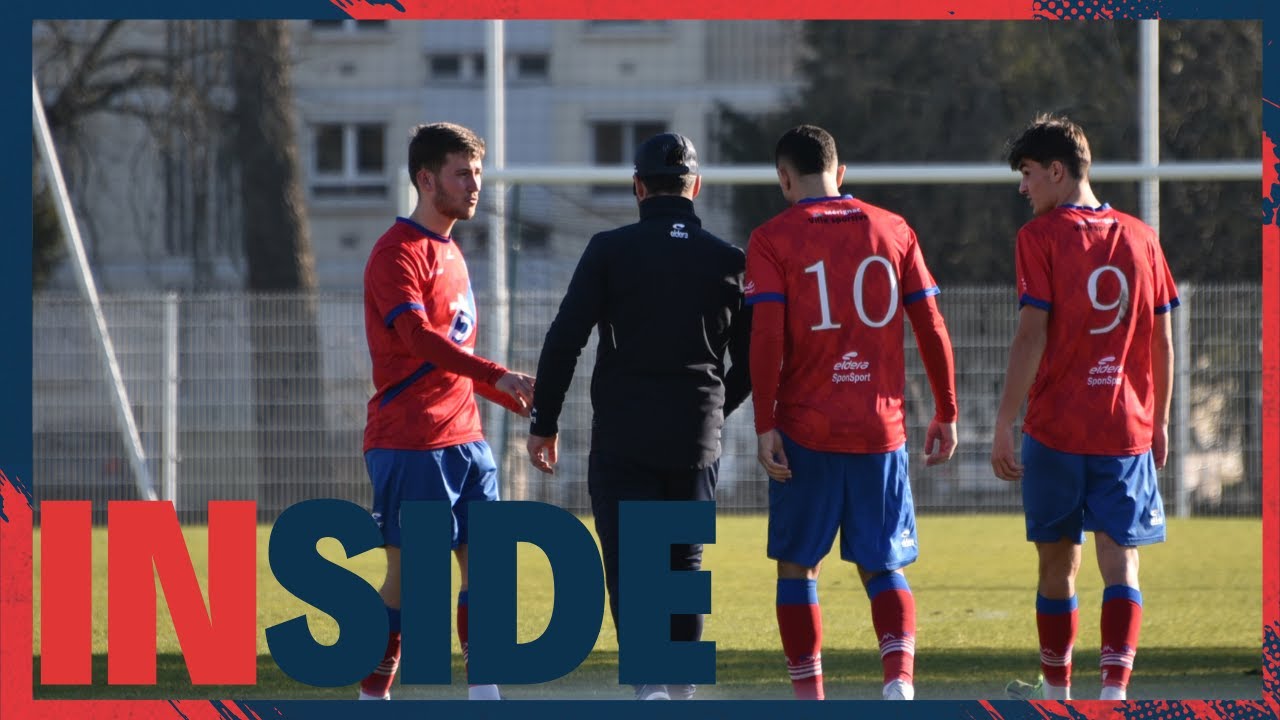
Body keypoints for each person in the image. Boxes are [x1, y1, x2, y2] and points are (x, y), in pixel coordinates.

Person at [525, 132, 751, 701]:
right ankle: (682, 691)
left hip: (625, 432)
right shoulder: (729, 260)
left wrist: (543, 422)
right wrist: (714, 408)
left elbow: (564, 340)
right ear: (694, 187)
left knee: (631, 565)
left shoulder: (610, 249)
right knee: (684, 563)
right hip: (696, 434)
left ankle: (649, 687)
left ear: (637, 187)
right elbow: (754, 360)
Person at [746, 124, 958, 702]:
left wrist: (765, 422)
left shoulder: (771, 238)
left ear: (784, 179)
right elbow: (931, 326)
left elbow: (765, 337)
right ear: (841, 174)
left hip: (804, 428)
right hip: (879, 429)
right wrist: (946, 409)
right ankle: (898, 685)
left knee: (798, 567)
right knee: (883, 564)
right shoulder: (893, 228)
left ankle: (811, 698)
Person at [992, 114, 1179, 702]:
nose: (1023, 188)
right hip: (1124, 429)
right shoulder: (1142, 236)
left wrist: (1003, 422)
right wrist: (1162, 417)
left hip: (1053, 431)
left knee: (1057, 567)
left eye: (1028, 174)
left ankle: (1056, 689)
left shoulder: (1040, 238)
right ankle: (1115, 695)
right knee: (1120, 567)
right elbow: (1162, 338)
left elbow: (1031, 335)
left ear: (1057, 170)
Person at [358, 122, 535, 701]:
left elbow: (445, 362)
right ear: (426, 178)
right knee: (410, 585)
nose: (475, 184)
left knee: (485, 573)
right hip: (411, 442)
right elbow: (417, 340)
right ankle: (372, 697)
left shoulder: (453, 251)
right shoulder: (396, 253)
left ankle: (486, 698)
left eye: (478, 172)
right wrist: (494, 374)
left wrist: (496, 391)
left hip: (467, 442)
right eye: (463, 173)